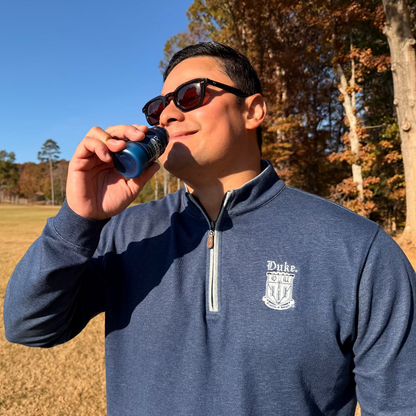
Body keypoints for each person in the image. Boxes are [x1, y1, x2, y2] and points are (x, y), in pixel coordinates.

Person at [4, 42, 416, 416]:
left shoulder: (358, 250)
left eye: (190, 94)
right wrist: (80, 217)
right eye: (156, 107)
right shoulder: (125, 233)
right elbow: (29, 326)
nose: (167, 114)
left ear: (253, 110)